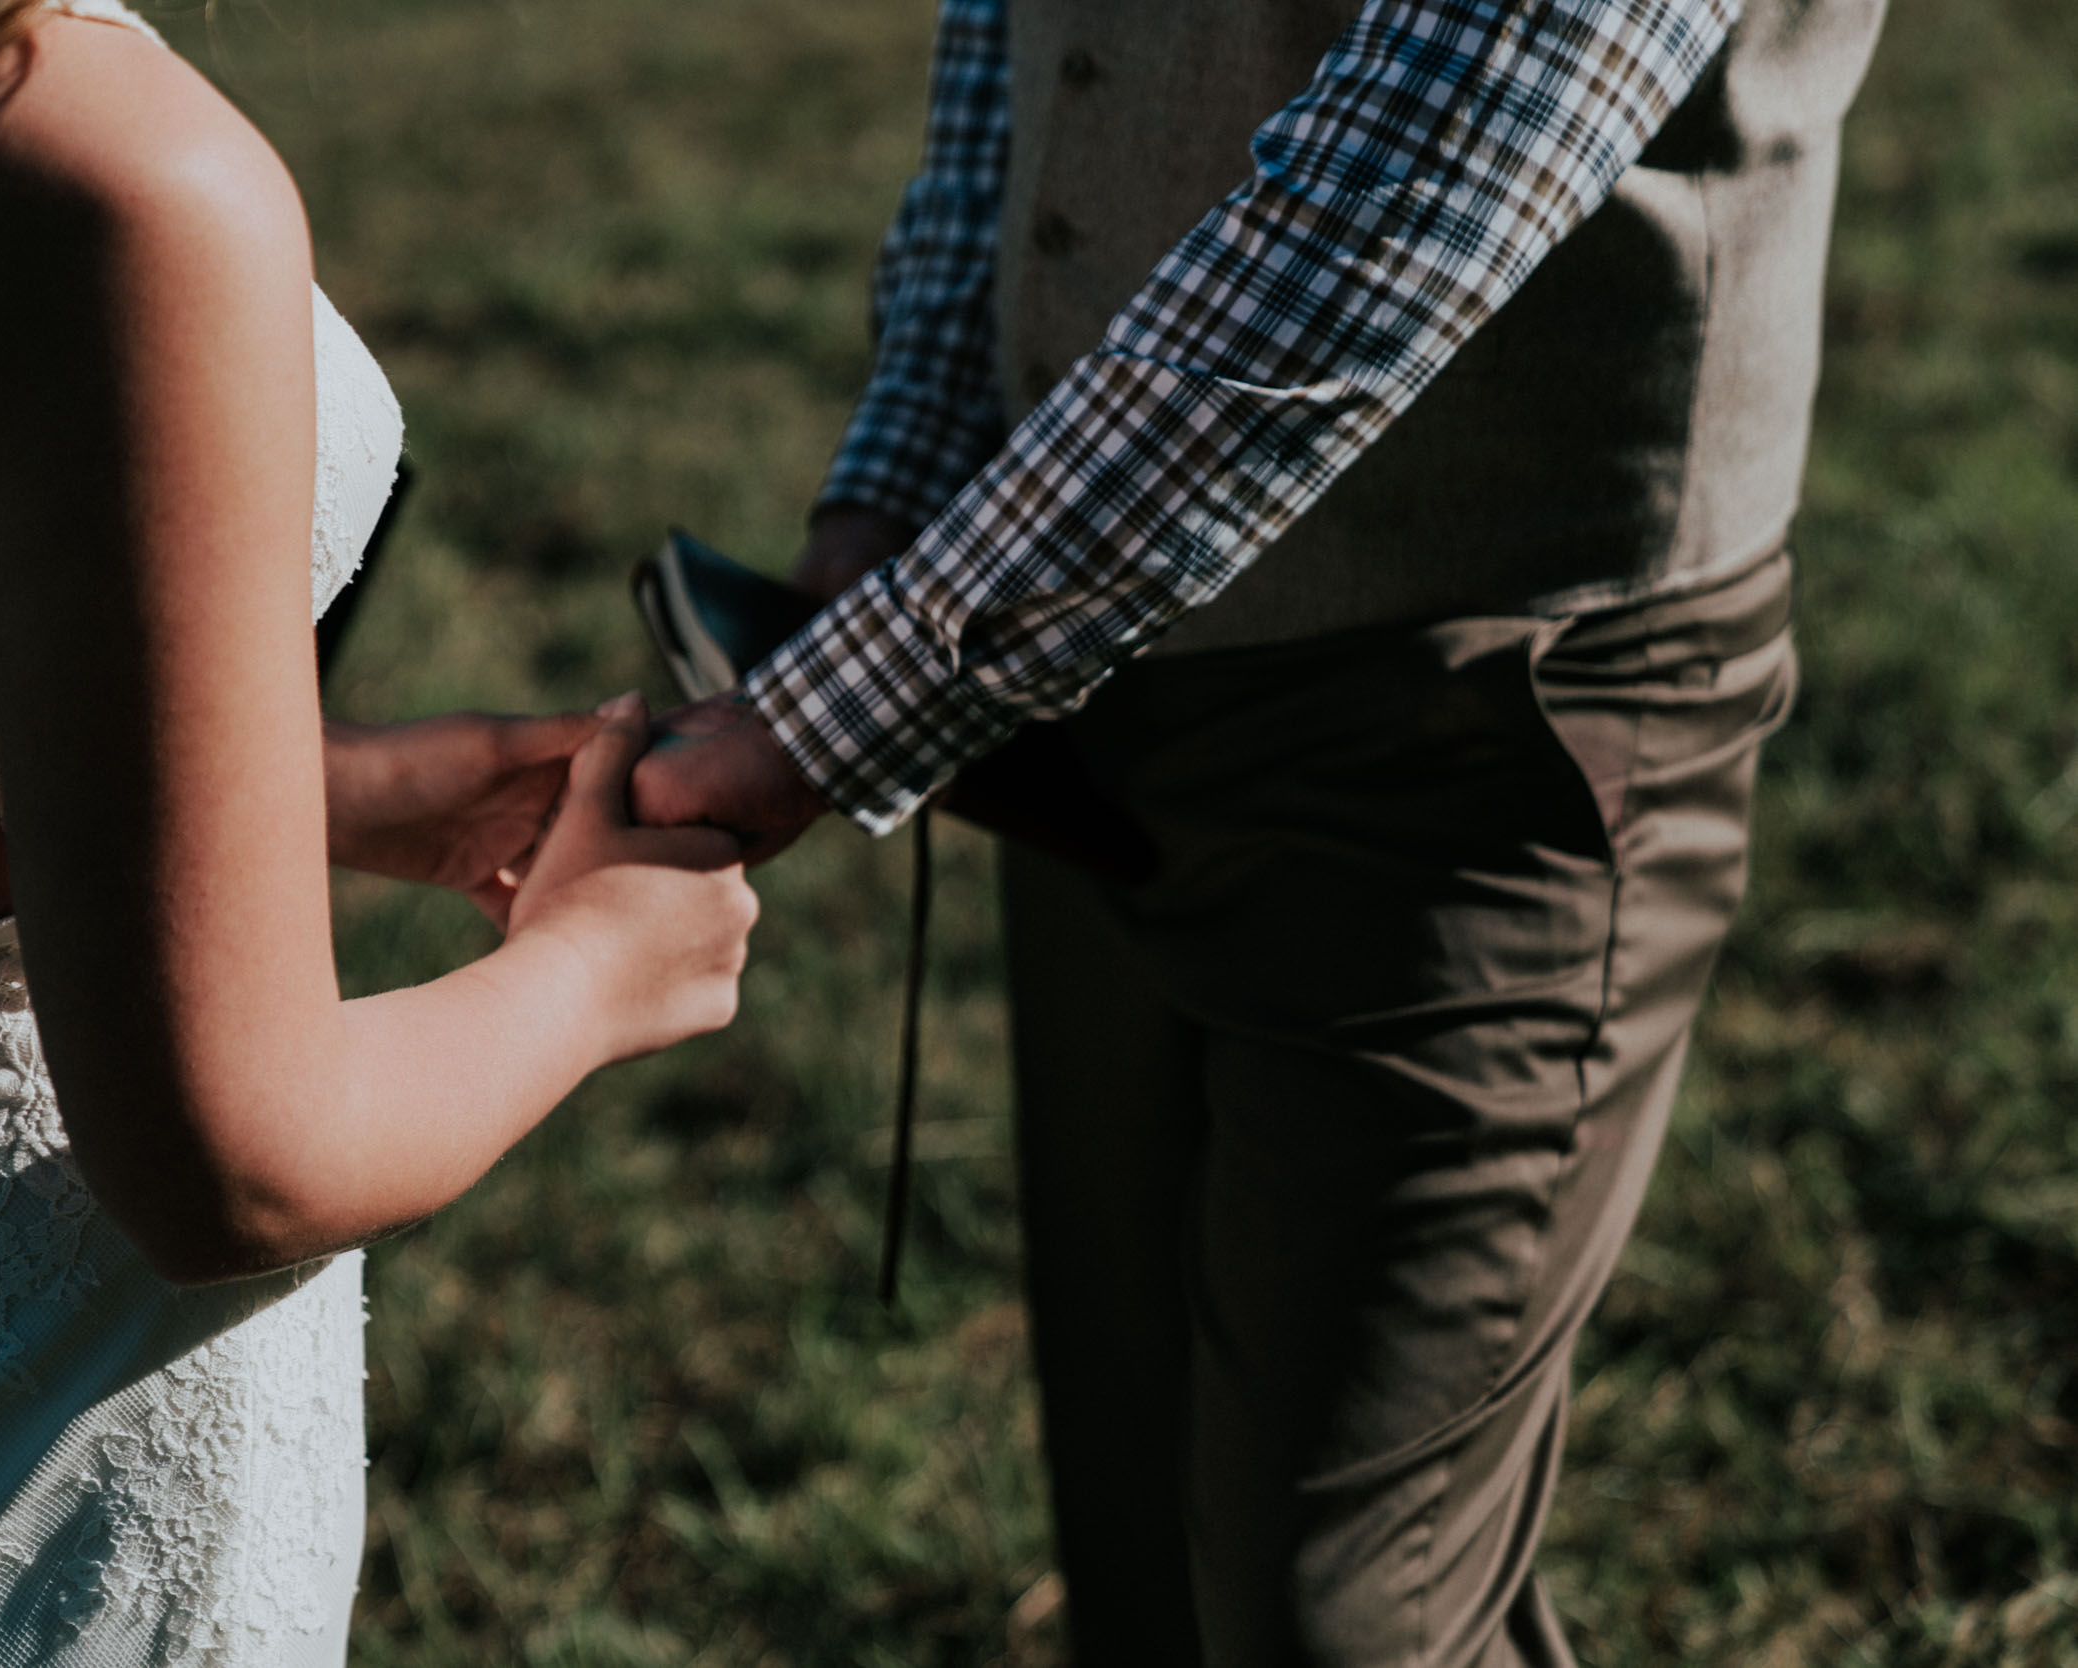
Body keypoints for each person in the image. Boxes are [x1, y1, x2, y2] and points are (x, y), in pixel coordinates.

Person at [634, 0, 1887, 1660]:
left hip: (1494, 712)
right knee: (1141, 1528)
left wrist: (862, 696)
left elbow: (1453, 130)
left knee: (1351, 1611)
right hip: (1082, 635)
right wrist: (904, 477)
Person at [0, 0, 758, 1657]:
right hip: (28, 1489)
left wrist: (291, 791)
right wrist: (606, 963)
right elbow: (232, 1157)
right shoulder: (95, 175)